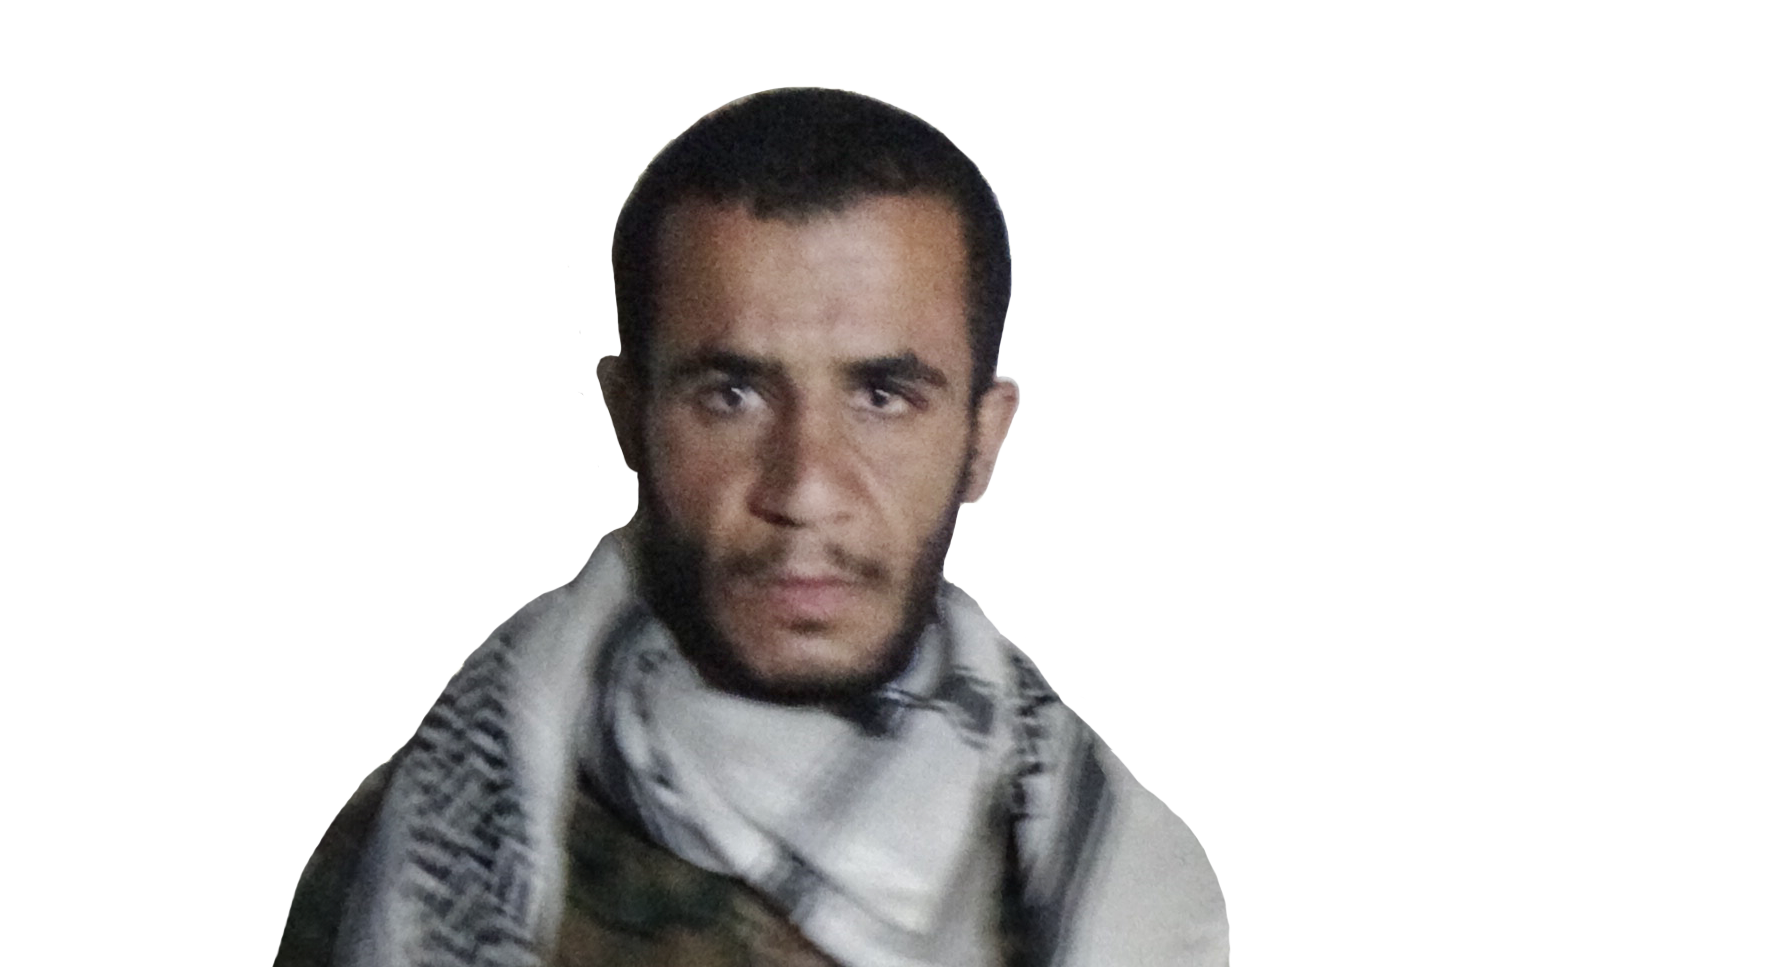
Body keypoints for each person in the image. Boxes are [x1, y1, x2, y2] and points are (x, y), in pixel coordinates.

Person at [274, 87, 1229, 967]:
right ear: (629, 417)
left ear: (982, 439)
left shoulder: (1121, 885)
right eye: (731, 395)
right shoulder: (421, 849)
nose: (806, 487)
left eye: (883, 396)